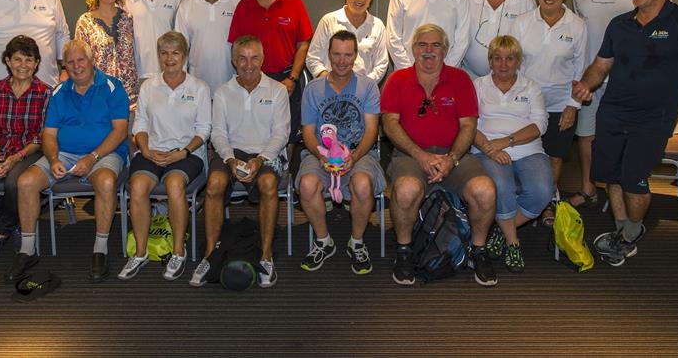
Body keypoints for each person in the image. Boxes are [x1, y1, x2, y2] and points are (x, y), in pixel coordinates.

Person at [572, 0, 678, 266]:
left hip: (653, 118)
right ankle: (621, 230)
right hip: (613, 111)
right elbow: (601, 65)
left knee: (633, 180)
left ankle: (631, 234)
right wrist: (587, 84)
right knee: (610, 175)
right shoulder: (621, 24)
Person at [381, 24, 498, 287]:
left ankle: (478, 251)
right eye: (423, 44)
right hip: (410, 156)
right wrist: (420, 155)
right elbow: (390, 124)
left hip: (454, 156)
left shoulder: (460, 79)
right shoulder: (397, 80)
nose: (429, 51)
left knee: (485, 190)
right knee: (406, 190)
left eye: (436, 45)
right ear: (413, 49)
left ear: (445, 50)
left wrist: (452, 158)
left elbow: (468, 125)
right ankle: (404, 251)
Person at [7, 39, 129, 283]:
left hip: (103, 153)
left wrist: (93, 157)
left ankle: (100, 249)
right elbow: (49, 135)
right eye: (70, 62)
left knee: (105, 182)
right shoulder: (59, 92)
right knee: (26, 181)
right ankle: (27, 250)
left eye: (81, 60)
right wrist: (52, 159)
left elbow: (120, 131)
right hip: (64, 153)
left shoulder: (113, 87)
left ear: (91, 59)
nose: (76, 66)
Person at [190, 36, 290, 288]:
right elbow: (218, 134)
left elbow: (281, 134)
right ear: (234, 61)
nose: (249, 64)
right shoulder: (223, 92)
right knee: (214, 184)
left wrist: (260, 159)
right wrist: (230, 159)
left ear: (262, 59)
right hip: (231, 152)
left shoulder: (277, 91)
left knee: (268, 183)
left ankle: (266, 257)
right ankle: (210, 256)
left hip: (266, 153)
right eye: (242, 58)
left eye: (254, 57)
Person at [117, 32, 211, 282]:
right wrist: (145, 150)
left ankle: (178, 251)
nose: (170, 58)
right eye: (164, 53)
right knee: (137, 187)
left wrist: (182, 152)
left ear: (185, 56)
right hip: (152, 150)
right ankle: (140, 251)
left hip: (187, 153)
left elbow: (204, 129)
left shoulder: (198, 88)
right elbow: (140, 123)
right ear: (159, 56)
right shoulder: (148, 86)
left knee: (174, 184)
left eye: (175, 52)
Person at [297, 30, 385, 274]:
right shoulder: (313, 89)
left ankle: (356, 242)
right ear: (328, 55)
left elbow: (371, 130)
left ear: (355, 56)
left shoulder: (368, 87)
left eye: (347, 55)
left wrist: (353, 158)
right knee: (307, 184)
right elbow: (308, 133)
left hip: (360, 152)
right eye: (336, 54)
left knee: (363, 185)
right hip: (320, 153)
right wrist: (322, 157)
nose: (342, 61)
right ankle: (324, 241)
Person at [570, 0, 638, 208]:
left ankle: (623, 189)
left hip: (630, 75)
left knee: (626, 136)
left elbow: (661, 18)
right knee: (586, 133)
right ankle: (588, 187)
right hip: (591, 74)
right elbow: (579, 22)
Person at [510, 0, 587, 224]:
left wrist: (573, 106)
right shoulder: (521, 22)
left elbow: (581, 70)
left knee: (554, 156)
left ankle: (547, 205)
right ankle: (519, 200)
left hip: (559, 105)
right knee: (523, 154)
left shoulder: (577, 26)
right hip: (526, 104)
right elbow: (512, 64)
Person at [471, 36, 554, 272]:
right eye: (497, 58)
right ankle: (513, 243)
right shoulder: (478, 86)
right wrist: (490, 148)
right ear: (490, 61)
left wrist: (505, 142)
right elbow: (469, 124)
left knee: (542, 191)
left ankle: (501, 229)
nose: (503, 64)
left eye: (509, 59)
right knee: (500, 184)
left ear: (518, 61)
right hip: (487, 149)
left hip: (528, 149)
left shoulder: (531, 87)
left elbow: (540, 124)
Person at [0, 36, 50, 264]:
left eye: (29, 60)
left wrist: (15, 158)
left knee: (16, 183)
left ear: (36, 63)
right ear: (7, 61)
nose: (23, 65)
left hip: (29, 152)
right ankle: (13, 222)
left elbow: (41, 136)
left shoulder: (45, 93)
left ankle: (1, 234)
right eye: (17, 59)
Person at [227, 0, 313, 151]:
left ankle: (285, 176)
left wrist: (292, 78)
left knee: (289, 131)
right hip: (253, 80)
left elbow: (303, 44)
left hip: (286, 79)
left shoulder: (294, 3)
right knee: (259, 130)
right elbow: (235, 47)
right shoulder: (244, 6)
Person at [461, 0, 536, 79]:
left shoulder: (525, 1)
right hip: (471, 80)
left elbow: (532, 46)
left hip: (510, 83)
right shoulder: (468, 0)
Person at [174, 0, 241, 95]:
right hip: (196, 88)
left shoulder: (238, 5)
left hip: (232, 87)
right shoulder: (186, 7)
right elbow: (180, 49)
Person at [305, 0, 389, 83]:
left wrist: (365, 85)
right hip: (330, 88)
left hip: (364, 91)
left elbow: (381, 63)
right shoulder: (329, 21)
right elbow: (313, 58)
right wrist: (328, 80)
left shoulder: (378, 26)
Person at [75, 0, 138, 103]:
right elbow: (80, 59)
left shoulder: (127, 18)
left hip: (128, 95)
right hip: (97, 92)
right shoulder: (85, 22)